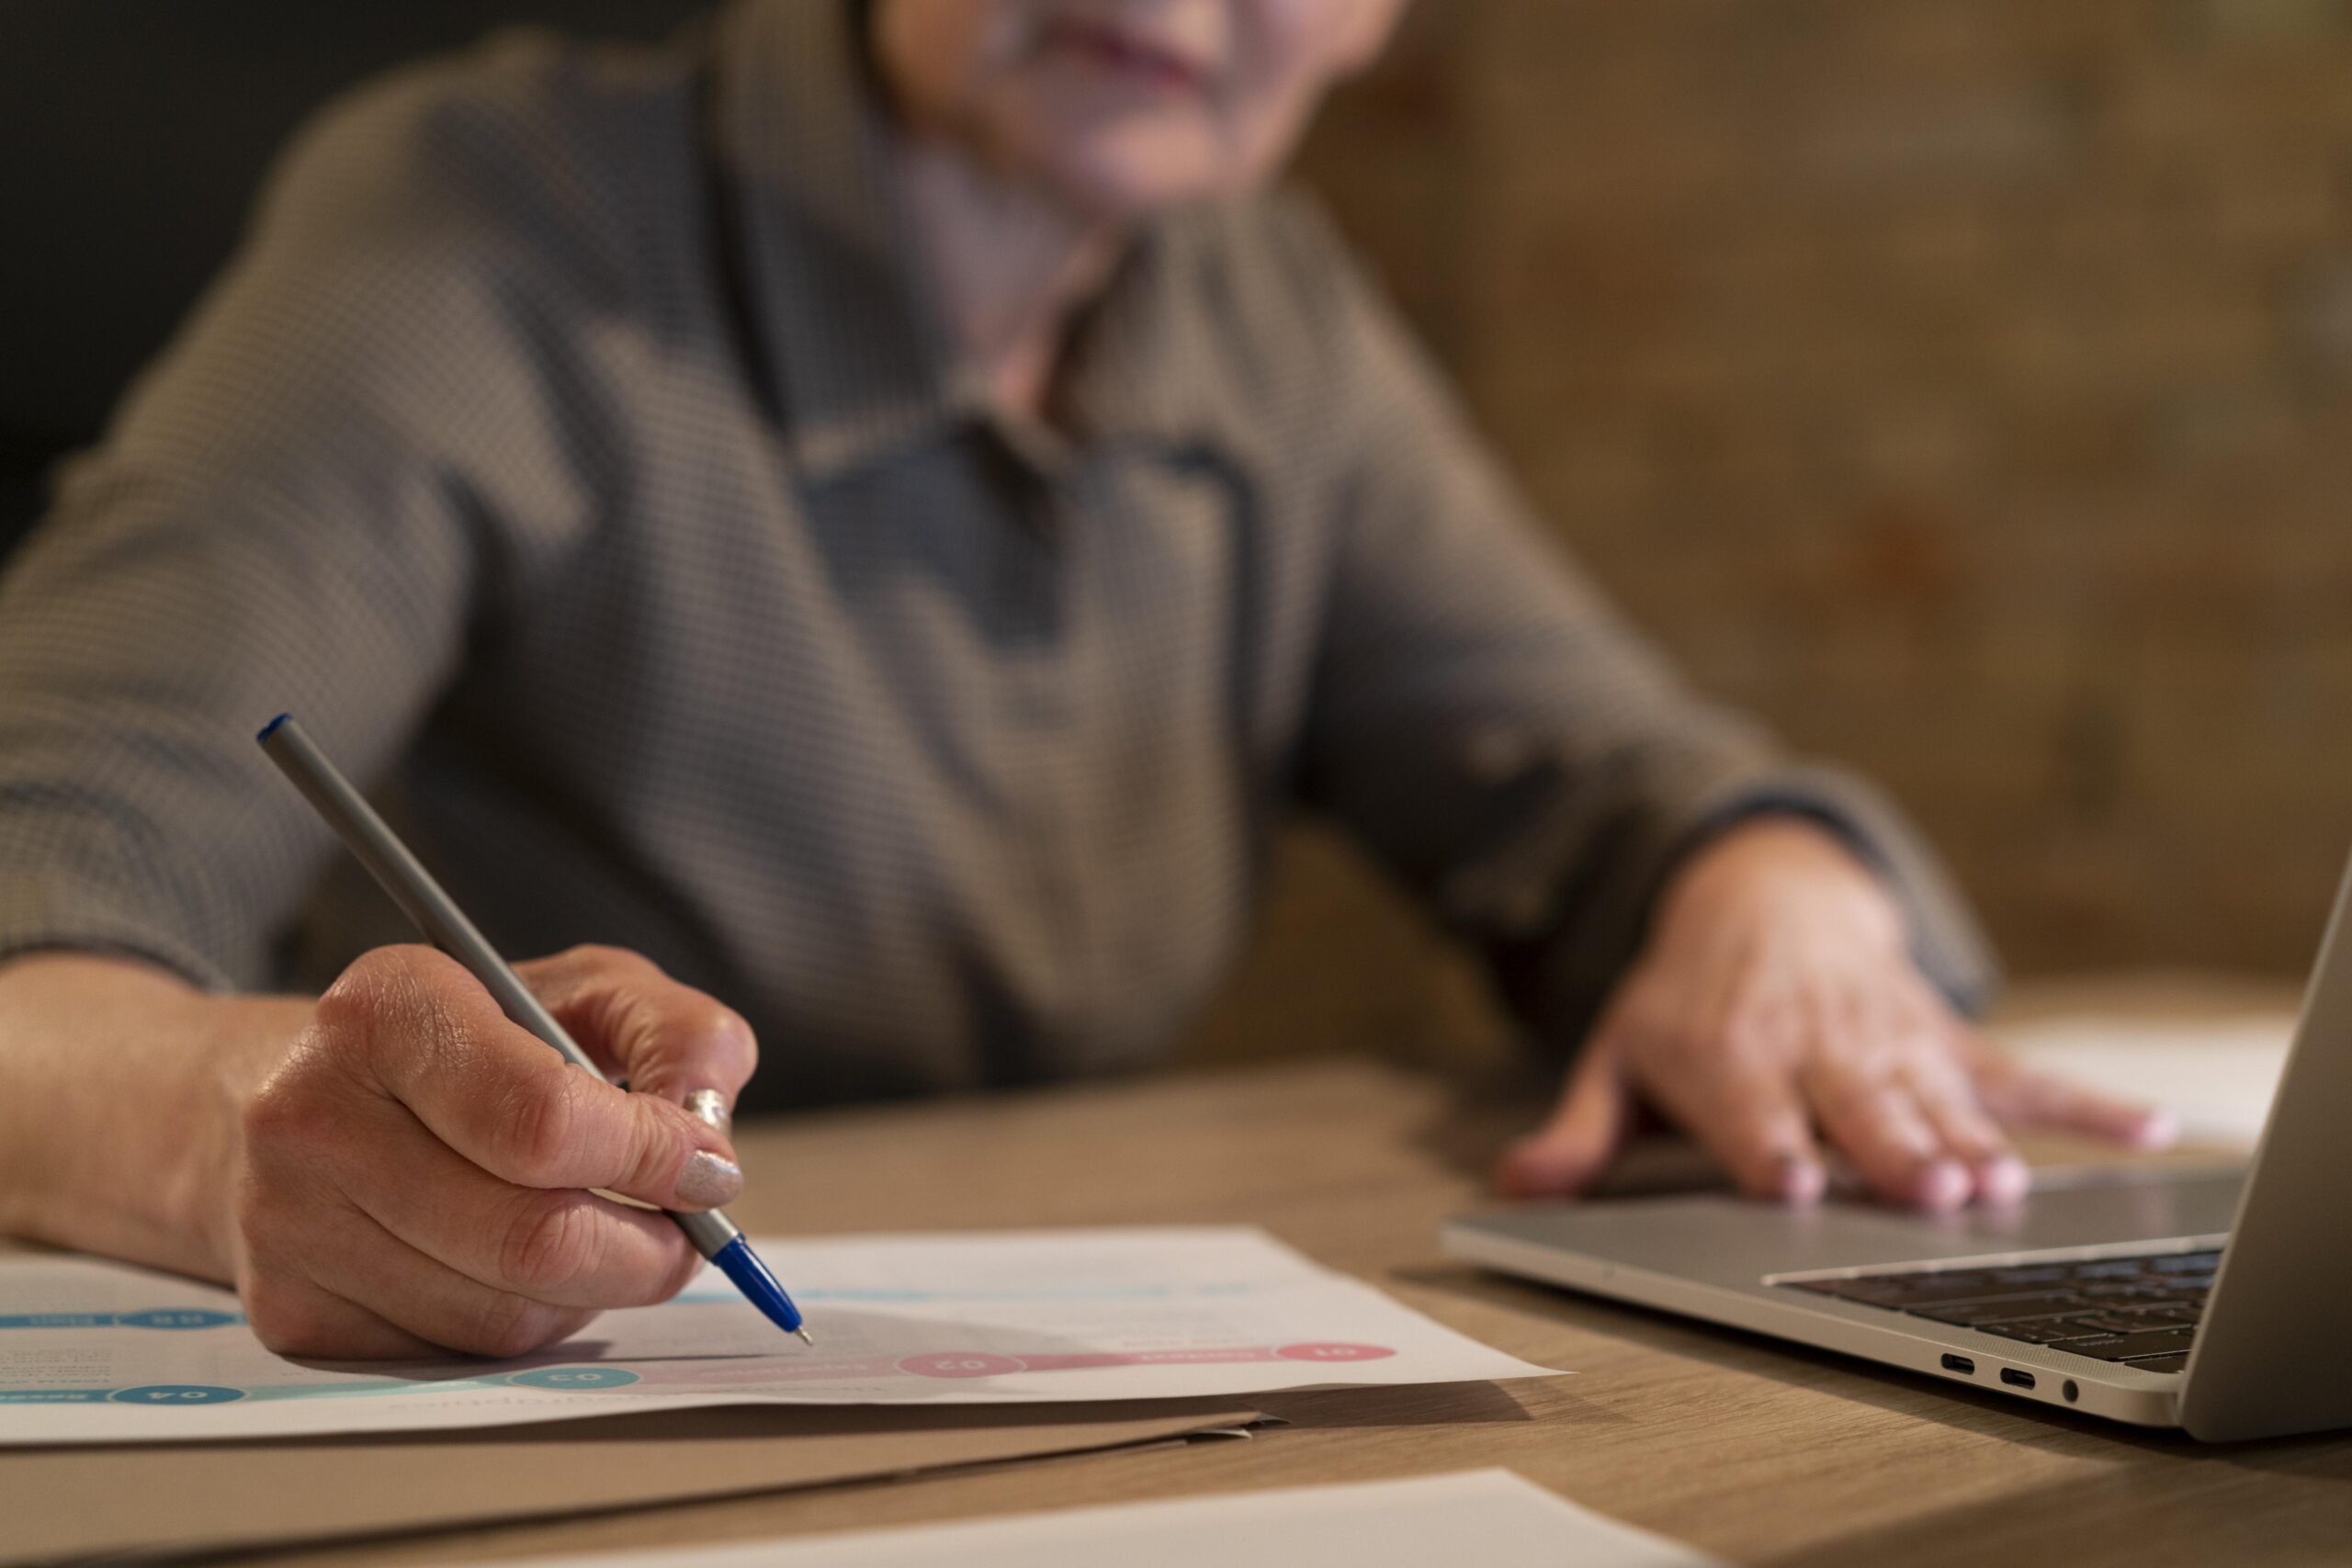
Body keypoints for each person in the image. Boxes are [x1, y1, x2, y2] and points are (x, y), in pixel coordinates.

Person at [0, 0, 2168, 1360]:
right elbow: (34, 916)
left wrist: (1768, 898)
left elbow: (1609, 778)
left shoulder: (1262, 313)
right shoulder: (488, 220)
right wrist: (232, 1138)